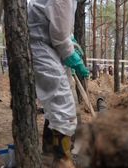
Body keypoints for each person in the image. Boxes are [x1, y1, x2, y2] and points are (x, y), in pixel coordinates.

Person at [28, 0, 89, 167]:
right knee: (62, 105)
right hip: (43, 50)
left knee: (55, 106)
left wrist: (71, 41)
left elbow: (59, 24)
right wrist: (73, 58)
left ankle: (48, 151)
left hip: (48, 48)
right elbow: (60, 36)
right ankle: (62, 160)